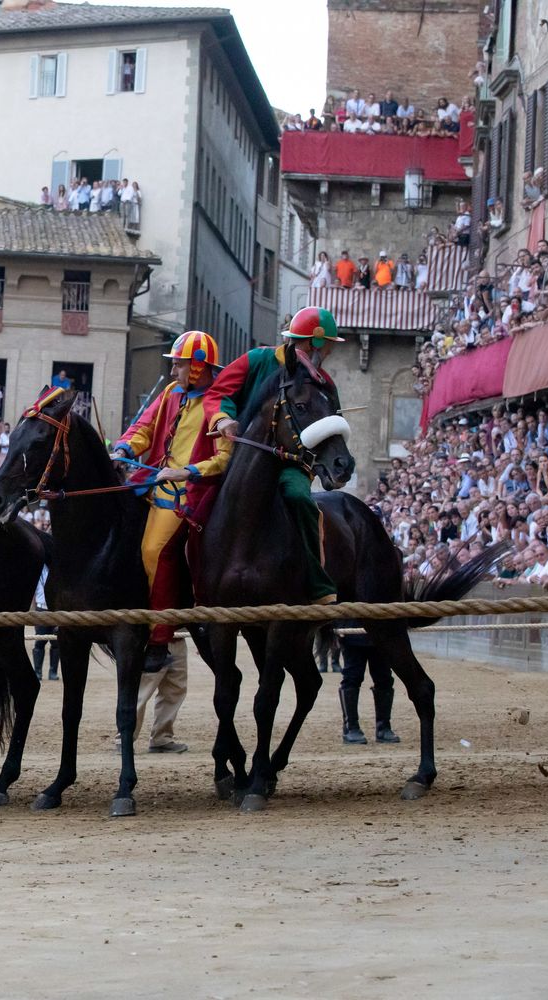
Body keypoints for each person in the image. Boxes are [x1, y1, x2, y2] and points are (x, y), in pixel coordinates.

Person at [112, 331, 230, 755]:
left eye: (179, 363)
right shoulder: (169, 395)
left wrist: (186, 473)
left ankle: (159, 636)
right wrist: (126, 445)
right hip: (151, 484)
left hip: (190, 494)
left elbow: (224, 457)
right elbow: (142, 429)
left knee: (154, 551)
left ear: (196, 366)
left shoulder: (218, 403)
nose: (173, 368)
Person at [202, 306, 345, 605]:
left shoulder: (324, 383)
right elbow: (218, 393)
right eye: (329, 344)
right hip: (244, 458)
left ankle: (317, 582)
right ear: (314, 343)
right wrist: (223, 419)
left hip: (293, 464)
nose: (330, 350)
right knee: (194, 506)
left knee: (298, 496)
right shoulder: (257, 360)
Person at [336, 626, 400, 744]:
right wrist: (339, 625)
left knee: (384, 678)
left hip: (380, 634)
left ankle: (384, 727)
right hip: (352, 632)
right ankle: (351, 727)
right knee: (352, 678)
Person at [30, 567, 59, 681]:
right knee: (39, 643)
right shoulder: (37, 571)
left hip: (55, 610)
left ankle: (53, 672)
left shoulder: (55, 570)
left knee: (56, 643)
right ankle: (37, 672)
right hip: (41, 609)